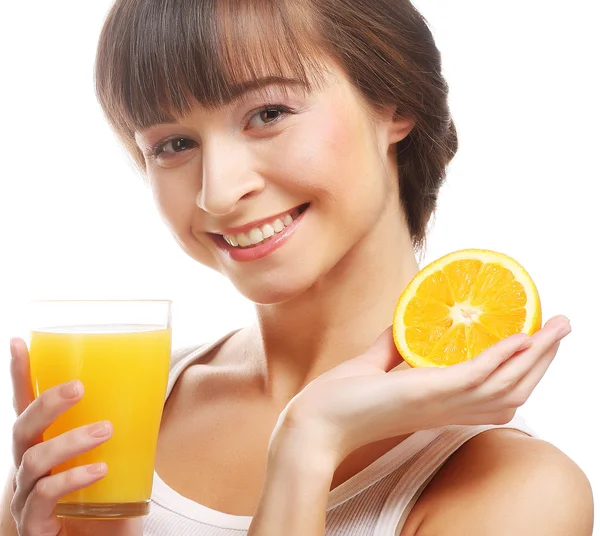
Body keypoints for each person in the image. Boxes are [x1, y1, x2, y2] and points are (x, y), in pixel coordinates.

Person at [1, 0, 594, 534]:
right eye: (173, 144)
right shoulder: (111, 421)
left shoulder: (516, 490)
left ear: (396, 103)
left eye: (268, 114)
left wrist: (311, 440)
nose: (218, 192)